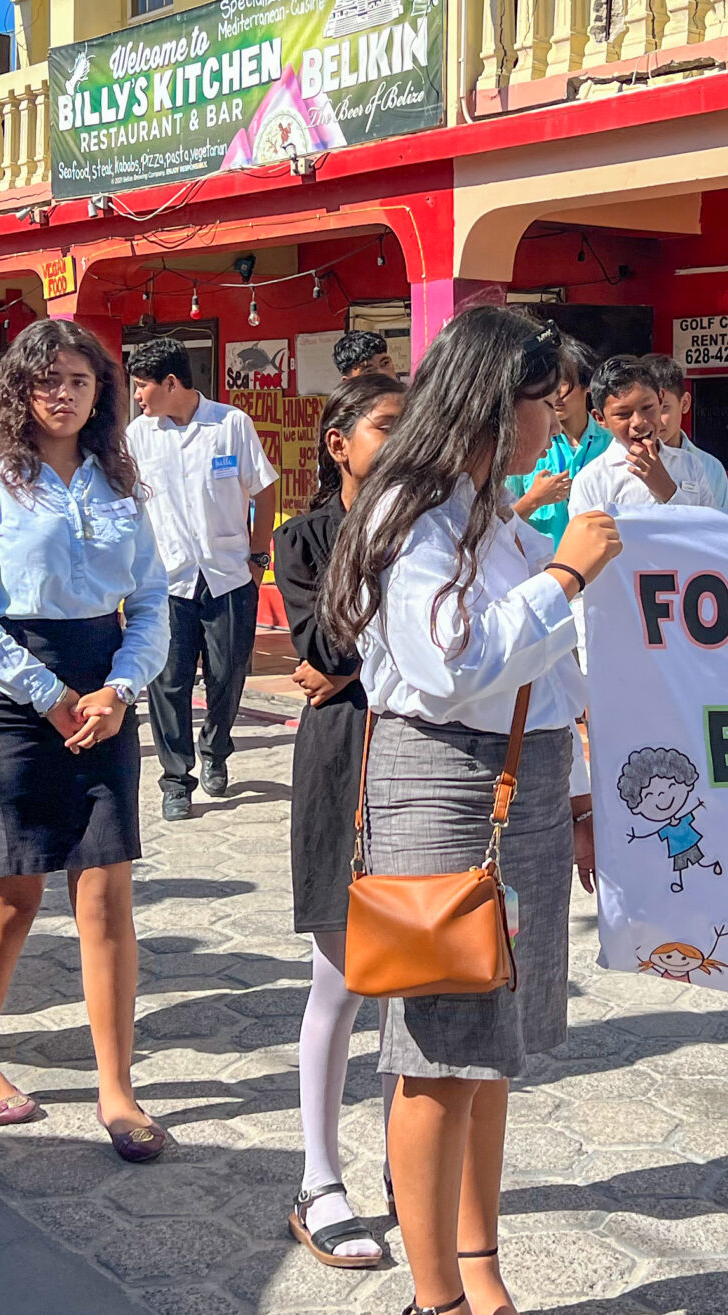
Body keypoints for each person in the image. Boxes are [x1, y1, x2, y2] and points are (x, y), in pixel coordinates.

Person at [318, 305, 622, 1315]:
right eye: (547, 399)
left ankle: (480, 1268)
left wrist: (577, 796)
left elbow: (551, 675)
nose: (558, 420)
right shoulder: (410, 511)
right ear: (494, 401)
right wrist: (568, 573)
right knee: (439, 1051)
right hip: (442, 783)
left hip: (521, 782)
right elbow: (453, 664)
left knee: (493, 1052)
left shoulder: (495, 514)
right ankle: (435, 1295)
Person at [0, 319, 172, 1148]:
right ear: (20, 390)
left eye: (78, 379)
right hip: (10, 691)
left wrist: (120, 688)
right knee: (16, 892)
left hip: (103, 688)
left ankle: (118, 1089)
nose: (62, 393)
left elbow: (151, 601)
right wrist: (47, 693)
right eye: (46, 380)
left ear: (99, 391)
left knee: (105, 892)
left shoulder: (121, 485)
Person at [275, 372, 405, 1270]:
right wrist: (361, 658)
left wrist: (357, 661)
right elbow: (324, 642)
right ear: (340, 444)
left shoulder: (435, 526)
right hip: (343, 758)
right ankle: (320, 1178)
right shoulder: (305, 537)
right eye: (386, 427)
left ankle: (410, 1162)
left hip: (425, 756)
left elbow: (450, 639)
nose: (402, 443)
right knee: (344, 973)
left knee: (420, 979)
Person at [125, 337, 278, 821]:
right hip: (165, 581)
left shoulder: (230, 424)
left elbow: (264, 491)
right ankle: (176, 778)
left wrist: (258, 559)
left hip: (228, 575)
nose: (137, 396)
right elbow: (128, 506)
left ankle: (216, 748)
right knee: (167, 682)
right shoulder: (138, 436)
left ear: (171, 383)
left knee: (227, 674)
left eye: (142, 386)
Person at [567, 355, 728, 514]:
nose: (638, 422)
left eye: (647, 408)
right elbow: (584, 533)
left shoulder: (690, 465)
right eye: (623, 414)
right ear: (600, 419)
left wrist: (668, 491)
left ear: (660, 399)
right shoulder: (591, 480)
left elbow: (712, 528)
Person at [501, 334, 605, 545]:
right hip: (539, 563)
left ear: (587, 386)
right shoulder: (527, 446)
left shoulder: (612, 446)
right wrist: (534, 499)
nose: (555, 397)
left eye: (562, 386)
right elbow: (497, 527)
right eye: (548, 389)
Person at [639, 354, 728, 509]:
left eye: (664, 408)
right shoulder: (621, 464)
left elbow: (719, 523)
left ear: (684, 403)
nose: (655, 420)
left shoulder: (710, 467)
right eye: (647, 409)